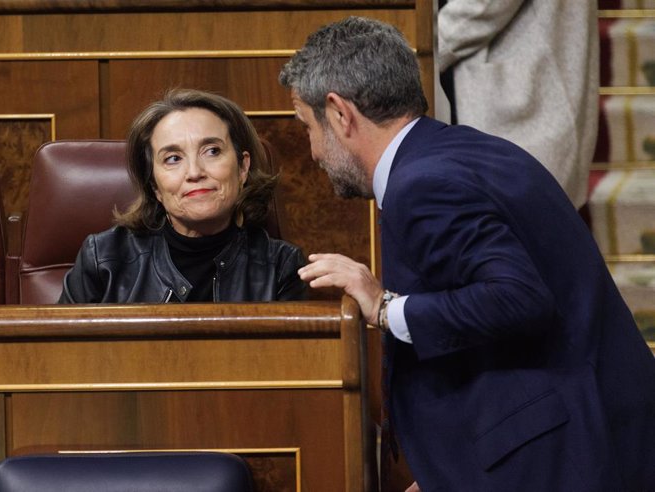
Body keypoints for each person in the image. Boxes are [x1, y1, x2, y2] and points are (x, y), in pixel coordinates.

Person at [279, 16, 655, 491]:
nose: (312, 151)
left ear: (338, 113)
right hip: (583, 432)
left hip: (564, 457)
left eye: (306, 127)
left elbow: (517, 298)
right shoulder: (464, 150)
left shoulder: (423, 184)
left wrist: (383, 307)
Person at [59, 89, 307, 303]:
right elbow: (58, 355)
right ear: (154, 185)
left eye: (212, 151)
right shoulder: (104, 259)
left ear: (242, 168)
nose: (194, 172)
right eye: (173, 159)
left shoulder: (281, 267)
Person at [437, 0, 599, 209]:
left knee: (512, 228)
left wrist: (421, 47)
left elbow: (484, 4)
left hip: (522, 105)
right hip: (531, 92)